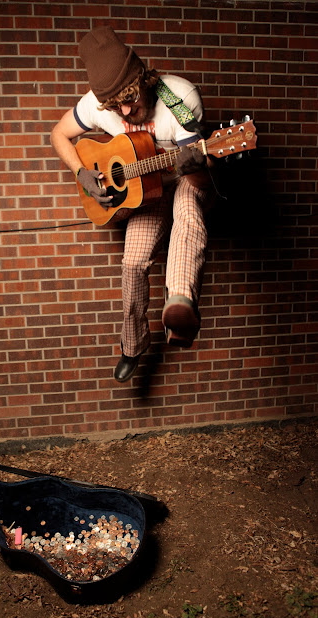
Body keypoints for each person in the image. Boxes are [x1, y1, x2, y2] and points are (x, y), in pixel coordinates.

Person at [51, 26, 216, 383]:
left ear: (142, 77)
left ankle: (181, 304)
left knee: (188, 213)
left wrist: (197, 168)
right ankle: (132, 344)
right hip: (146, 187)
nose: (125, 109)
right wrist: (81, 172)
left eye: (130, 97)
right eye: (115, 105)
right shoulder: (96, 104)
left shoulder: (178, 98)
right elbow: (58, 134)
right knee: (133, 261)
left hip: (184, 176)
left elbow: (205, 181)